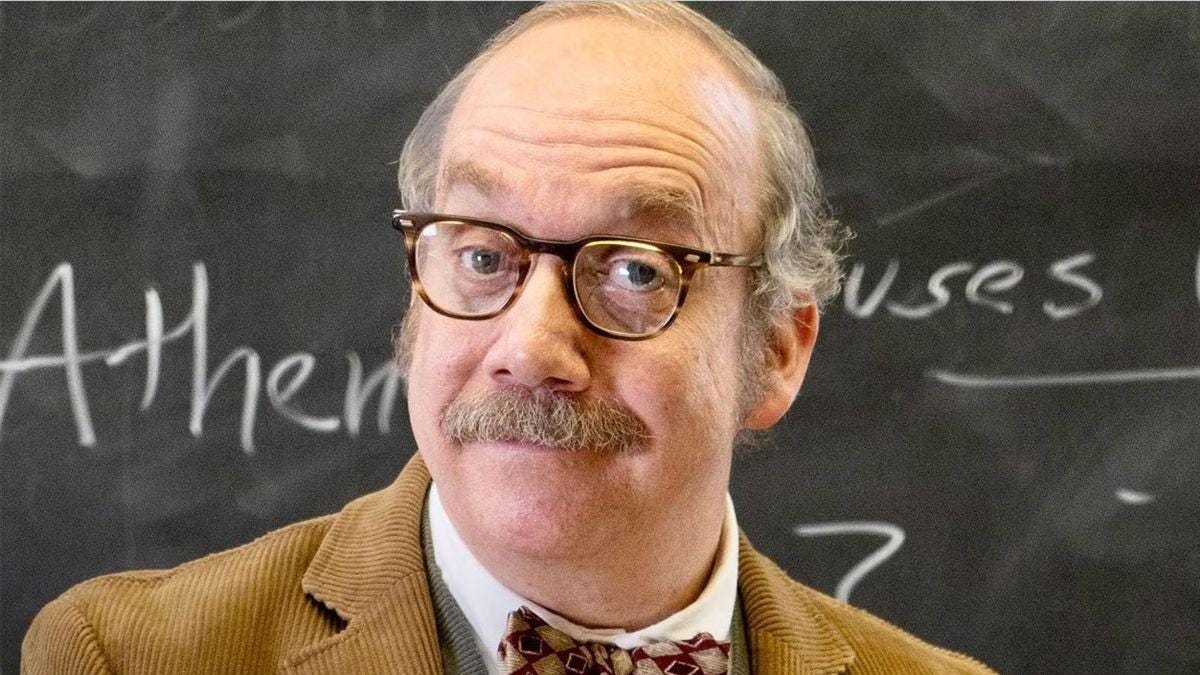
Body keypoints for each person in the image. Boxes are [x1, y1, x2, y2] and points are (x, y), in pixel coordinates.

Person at [23, 3, 993, 673]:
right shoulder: (130, 656)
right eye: (484, 256)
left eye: (636, 271)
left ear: (777, 349)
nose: (530, 349)